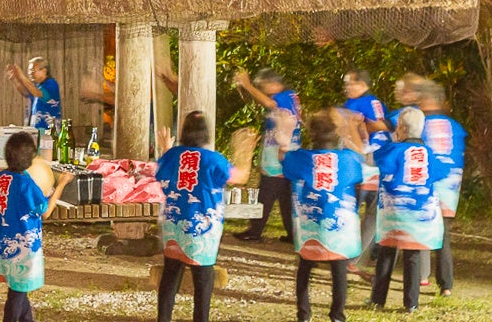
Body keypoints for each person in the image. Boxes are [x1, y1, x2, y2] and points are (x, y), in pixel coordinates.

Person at [155, 112, 255, 322]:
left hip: (173, 225)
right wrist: (245, 152)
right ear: (206, 134)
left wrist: (166, 147)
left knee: (170, 274)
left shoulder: (172, 155)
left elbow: (161, 172)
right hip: (202, 229)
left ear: (183, 132)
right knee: (203, 280)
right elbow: (241, 177)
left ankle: (163, 319)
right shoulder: (213, 160)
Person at [280, 109, 363, 322]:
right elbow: (361, 167)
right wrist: (350, 130)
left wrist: (286, 133)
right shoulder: (348, 158)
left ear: (311, 134)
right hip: (339, 224)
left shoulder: (300, 158)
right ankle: (337, 315)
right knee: (339, 270)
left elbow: (283, 159)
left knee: (305, 266)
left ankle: (304, 314)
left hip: (310, 223)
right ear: (335, 133)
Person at [367, 107, 449, 313]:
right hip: (420, 214)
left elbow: (372, 160)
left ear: (402, 128)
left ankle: (378, 300)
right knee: (412, 256)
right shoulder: (430, 153)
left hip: (394, 212)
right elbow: (441, 173)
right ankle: (411, 304)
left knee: (387, 251)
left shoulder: (392, 150)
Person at [0, 131, 74, 322]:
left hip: (3, 242)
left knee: (18, 289)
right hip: (23, 248)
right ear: (30, 159)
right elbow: (45, 211)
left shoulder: (0, 177)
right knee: (17, 294)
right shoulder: (26, 184)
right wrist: (61, 184)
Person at [233, 68, 300, 243]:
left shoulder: (284, 97)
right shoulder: (289, 98)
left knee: (266, 195)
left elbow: (271, 105)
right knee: (285, 197)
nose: (262, 92)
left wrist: (247, 85)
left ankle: (255, 231)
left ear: (274, 84)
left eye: (264, 87)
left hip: (278, 158)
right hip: (284, 157)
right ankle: (293, 233)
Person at [416, 81, 466, 297]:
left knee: (420, 231)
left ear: (427, 100)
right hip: (450, 187)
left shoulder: (421, 124)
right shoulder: (456, 127)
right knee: (443, 236)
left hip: (426, 184)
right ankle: (446, 285)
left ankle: (419, 278)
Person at [341, 69, 389, 278]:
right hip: (379, 163)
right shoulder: (377, 102)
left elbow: (374, 126)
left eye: (349, 83)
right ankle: (353, 258)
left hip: (361, 163)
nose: (346, 88)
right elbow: (383, 125)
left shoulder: (355, 104)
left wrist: (357, 128)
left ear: (362, 84)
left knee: (349, 209)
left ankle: (343, 255)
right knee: (372, 214)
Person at [5, 57, 61, 132]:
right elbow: (26, 92)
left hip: (49, 131)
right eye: (29, 70)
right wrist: (15, 79)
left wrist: (21, 75)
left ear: (44, 71)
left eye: (33, 70)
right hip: (37, 130)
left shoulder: (51, 84)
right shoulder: (38, 86)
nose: (30, 73)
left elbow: (37, 93)